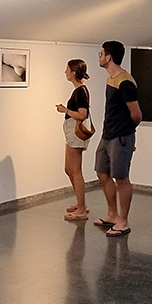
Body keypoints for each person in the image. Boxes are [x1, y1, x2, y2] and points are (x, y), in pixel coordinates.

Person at [94, 41, 142, 236]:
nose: (99, 56)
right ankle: (112, 214)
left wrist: (127, 136)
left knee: (121, 178)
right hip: (107, 135)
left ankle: (123, 221)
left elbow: (137, 114)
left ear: (109, 57)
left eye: (101, 53)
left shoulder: (125, 82)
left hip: (120, 137)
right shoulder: (110, 80)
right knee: (102, 173)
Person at [55, 59, 92, 221]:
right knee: (68, 169)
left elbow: (82, 115)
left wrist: (65, 110)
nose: (65, 72)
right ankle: (80, 202)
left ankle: (82, 208)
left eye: (67, 69)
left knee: (75, 170)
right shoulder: (79, 91)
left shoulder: (80, 92)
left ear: (74, 72)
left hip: (75, 134)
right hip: (71, 134)